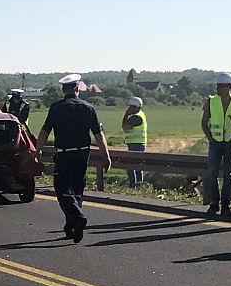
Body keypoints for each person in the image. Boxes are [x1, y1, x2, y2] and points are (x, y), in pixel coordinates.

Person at [34, 74, 111, 243]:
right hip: (82, 153)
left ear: (64, 90)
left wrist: (38, 151)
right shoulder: (88, 108)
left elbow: (45, 131)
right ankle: (72, 227)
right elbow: (99, 135)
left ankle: (77, 217)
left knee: (62, 189)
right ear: (77, 89)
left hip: (64, 153)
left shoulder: (56, 108)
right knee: (77, 189)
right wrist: (106, 155)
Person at [201, 72, 231, 218]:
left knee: (228, 175)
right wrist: (210, 138)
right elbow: (204, 122)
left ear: (230, 87)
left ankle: (225, 204)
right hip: (215, 142)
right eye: (218, 86)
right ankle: (214, 203)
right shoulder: (210, 101)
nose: (219, 89)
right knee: (212, 173)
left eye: (222, 86)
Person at [122, 97, 147, 187]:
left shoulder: (136, 117)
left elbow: (124, 126)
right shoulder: (139, 114)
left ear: (135, 107)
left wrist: (126, 114)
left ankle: (134, 186)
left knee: (132, 166)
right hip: (136, 143)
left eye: (130, 107)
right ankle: (138, 185)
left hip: (136, 144)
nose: (129, 109)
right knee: (136, 167)